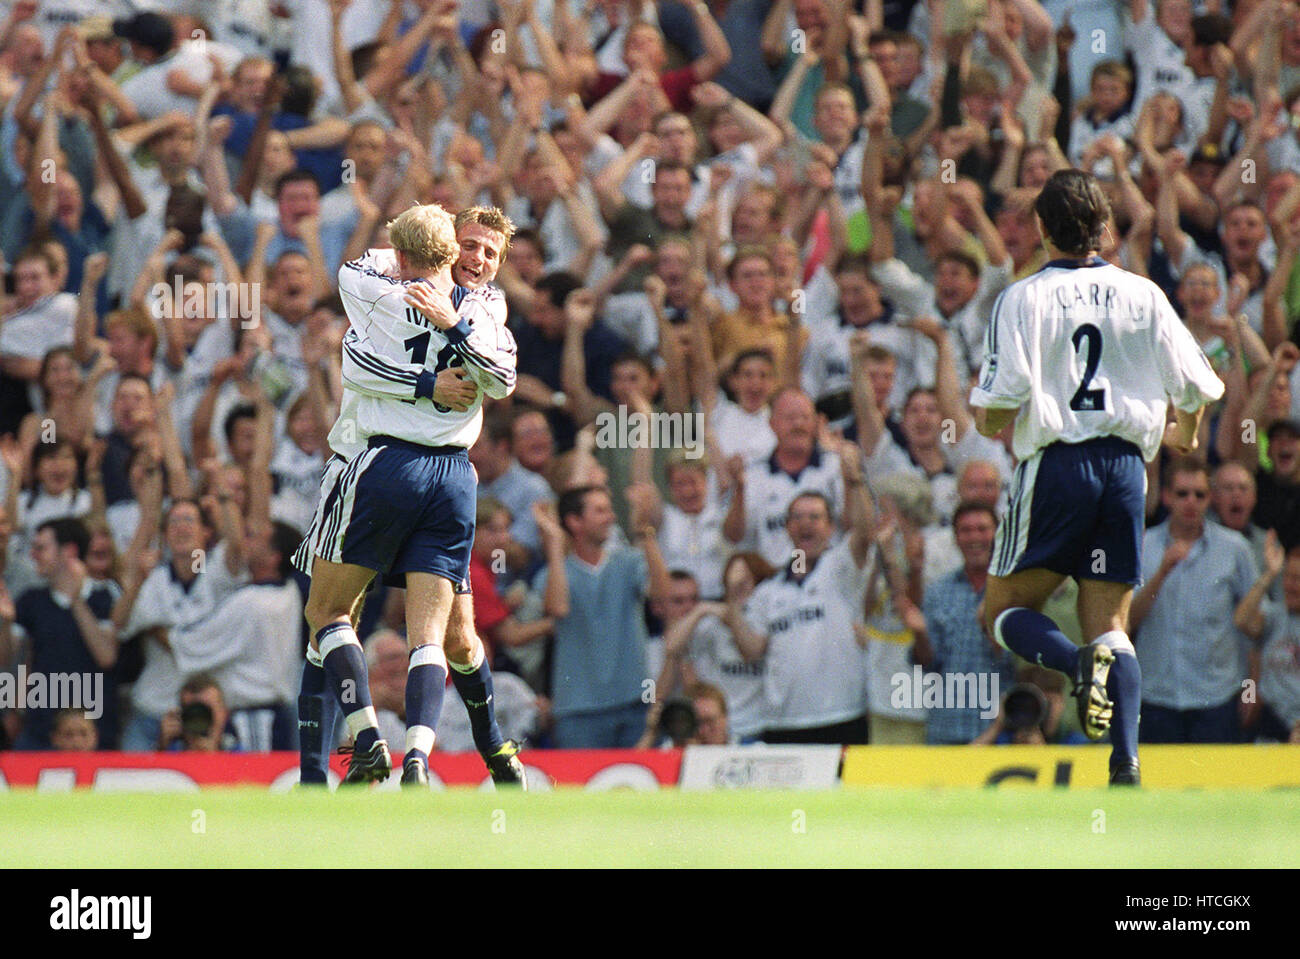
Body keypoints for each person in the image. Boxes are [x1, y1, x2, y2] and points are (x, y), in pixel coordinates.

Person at [971, 169, 1225, 785]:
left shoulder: (1022, 297)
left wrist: (986, 416)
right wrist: (1186, 434)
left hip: (1057, 463)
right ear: (1105, 229)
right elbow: (1196, 385)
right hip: (1124, 470)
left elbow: (997, 406)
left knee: (1001, 611)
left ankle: (1074, 663)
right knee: (1112, 623)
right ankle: (1126, 763)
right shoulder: (1144, 294)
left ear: (1040, 228)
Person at [291, 203, 517, 786]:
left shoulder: (482, 309)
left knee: (342, 615)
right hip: (425, 476)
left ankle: (390, 748)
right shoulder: (397, 287)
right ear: (447, 245)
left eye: (491, 253)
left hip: (389, 468)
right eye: (469, 245)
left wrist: (452, 324)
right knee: (371, 620)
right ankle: (340, 768)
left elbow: (500, 380)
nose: (478, 259)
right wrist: (432, 381)